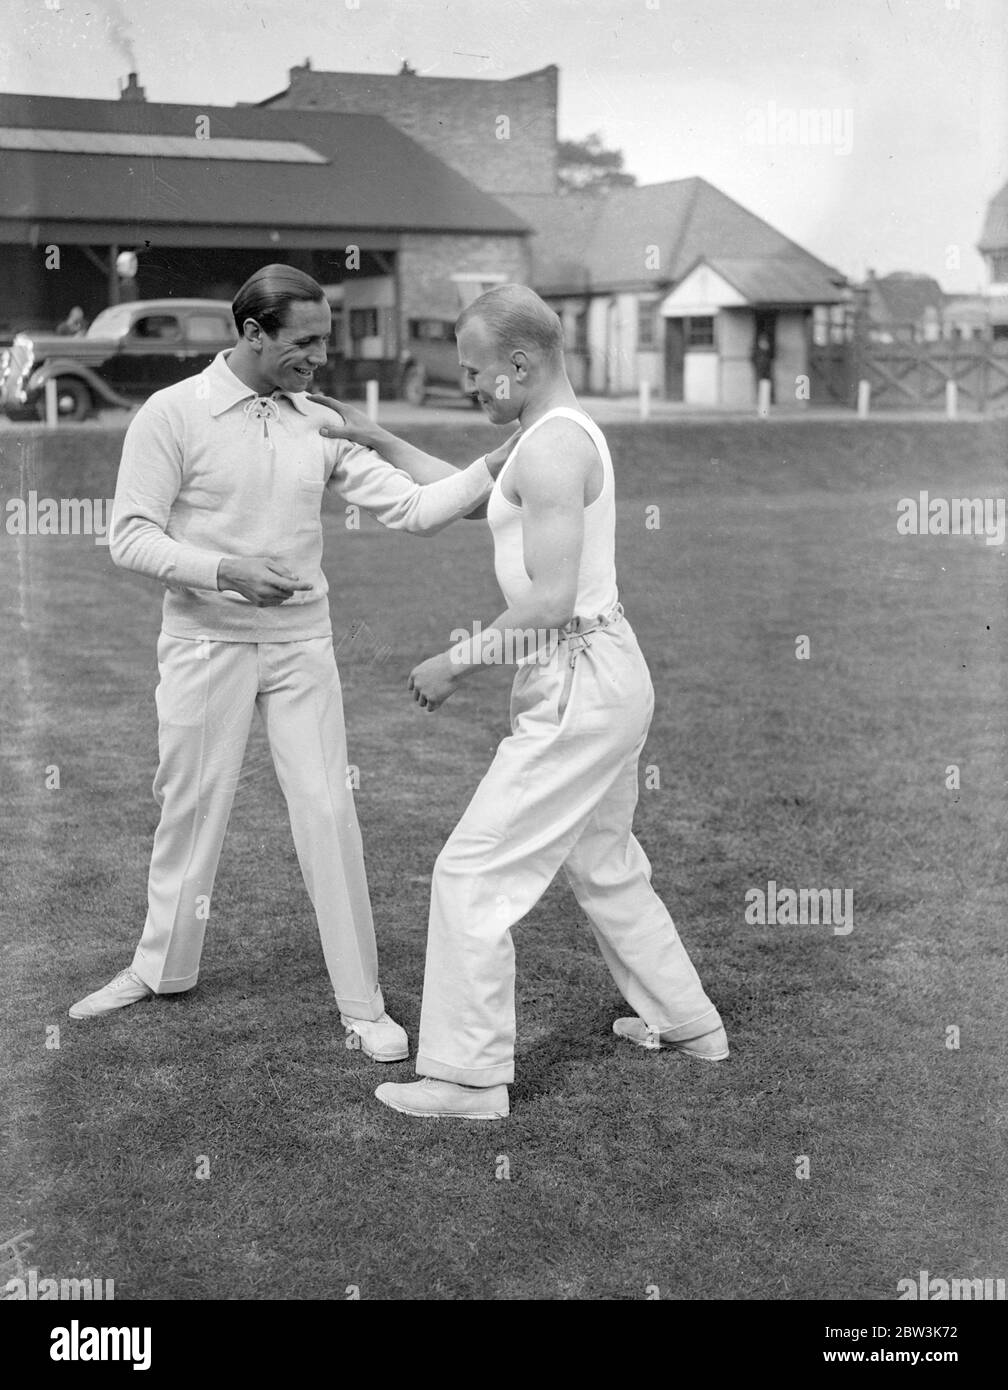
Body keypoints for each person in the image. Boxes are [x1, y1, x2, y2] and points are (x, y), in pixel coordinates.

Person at [69, 265, 509, 1067]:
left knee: (328, 812)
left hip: (305, 647)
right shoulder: (172, 414)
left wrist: (500, 460)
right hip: (205, 643)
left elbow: (416, 510)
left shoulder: (320, 421)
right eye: (303, 342)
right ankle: (159, 969)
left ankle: (362, 1006)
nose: (319, 357)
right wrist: (225, 570)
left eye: (325, 341)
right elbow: (129, 536)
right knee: (190, 806)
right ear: (252, 333)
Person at [314, 283, 728, 1119]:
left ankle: (466, 1080)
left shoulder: (550, 449)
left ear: (520, 363)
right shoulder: (542, 439)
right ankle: (691, 1028)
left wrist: (450, 664)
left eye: (474, 372)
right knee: (605, 865)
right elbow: (470, 493)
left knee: (470, 873)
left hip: (579, 676)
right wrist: (382, 438)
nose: (466, 385)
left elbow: (547, 601)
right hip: (596, 676)